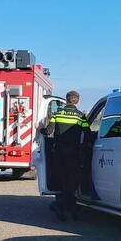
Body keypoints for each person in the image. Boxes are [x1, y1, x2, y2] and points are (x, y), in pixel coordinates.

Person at [39, 90, 89, 221]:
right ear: (77, 101)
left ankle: (61, 206)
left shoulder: (58, 113)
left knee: (62, 180)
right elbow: (88, 134)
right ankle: (70, 208)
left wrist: (39, 128)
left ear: (66, 100)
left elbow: (48, 131)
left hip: (59, 153)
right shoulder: (80, 117)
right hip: (74, 154)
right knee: (72, 181)